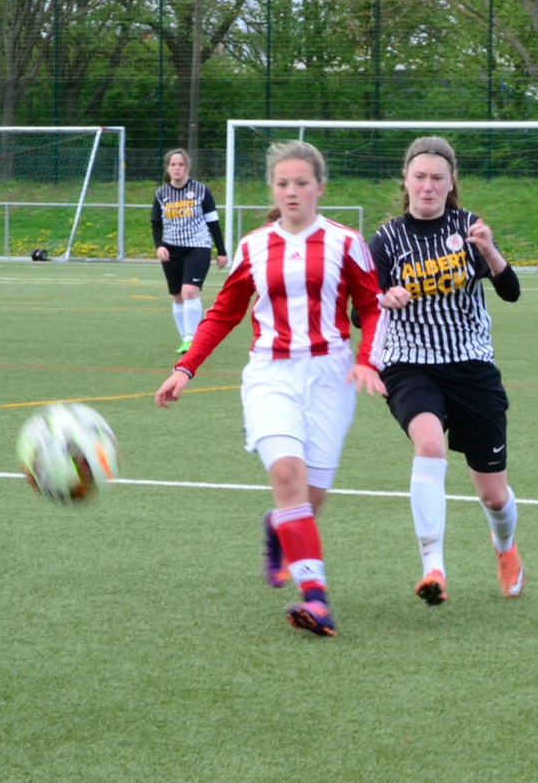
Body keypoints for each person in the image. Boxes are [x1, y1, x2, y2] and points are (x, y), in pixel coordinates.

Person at [155, 141, 386, 637]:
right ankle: (316, 599)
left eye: (301, 183)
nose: (292, 191)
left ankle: (278, 525)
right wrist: (185, 368)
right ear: (272, 190)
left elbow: (372, 307)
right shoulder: (253, 246)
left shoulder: (346, 242)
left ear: (320, 187)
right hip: (270, 375)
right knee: (286, 477)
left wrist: (368, 360)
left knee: (309, 500)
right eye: (283, 183)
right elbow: (224, 312)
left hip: (330, 376)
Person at [367, 135, 524, 606]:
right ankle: (432, 568)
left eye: (437, 178)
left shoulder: (468, 228)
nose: (428, 186)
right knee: (430, 444)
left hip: (472, 367)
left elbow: (511, 291)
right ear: (406, 180)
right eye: (419, 177)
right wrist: (383, 297)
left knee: (494, 496)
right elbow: (361, 310)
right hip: (410, 366)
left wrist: (490, 251)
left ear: (451, 181)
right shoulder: (386, 239)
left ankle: (504, 545)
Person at [151, 148, 229, 354]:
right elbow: (156, 224)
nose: (177, 168)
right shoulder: (161, 194)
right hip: (171, 249)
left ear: (187, 167)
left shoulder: (201, 190)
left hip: (197, 246)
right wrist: (159, 246)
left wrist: (221, 251)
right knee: (178, 296)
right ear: (168, 168)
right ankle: (185, 339)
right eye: (173, 164)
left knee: (190, 292)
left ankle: (191, 339)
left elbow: (213, 222)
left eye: (181, 164)